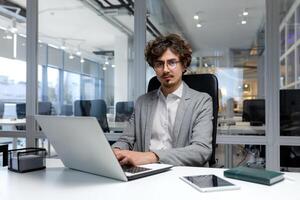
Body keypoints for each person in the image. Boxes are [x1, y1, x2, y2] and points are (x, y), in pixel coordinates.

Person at [112, 33, 213, 167]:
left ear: (183, 65)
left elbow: (201, 150)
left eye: (172, 62)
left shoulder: (201, 101)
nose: (165, 70)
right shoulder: (143, 102)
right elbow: (126, 139)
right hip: (145, 174)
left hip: (182, 175)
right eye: (159, 64)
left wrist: (152, 156)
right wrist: (116, 151)